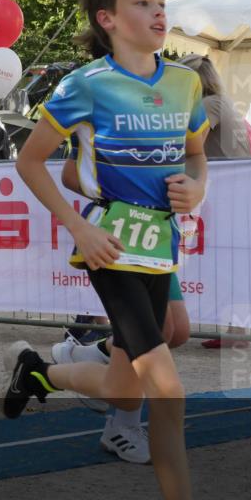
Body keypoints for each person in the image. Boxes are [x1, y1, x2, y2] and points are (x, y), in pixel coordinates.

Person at [3, 0, 215, 500]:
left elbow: (197, 155)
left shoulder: (185, 82)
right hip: (112, 251)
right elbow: (30, 160)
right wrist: (79, 228)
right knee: (166, 391)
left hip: (162, 251)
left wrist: (196, 187)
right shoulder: (85, 86)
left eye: (160, 2)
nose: (157, 12)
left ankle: (41, 373)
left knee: (126, 393)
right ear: (108, 20)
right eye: (141, 3)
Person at [52, 156, 192, 464]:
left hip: (159, 233)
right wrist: (128, 193)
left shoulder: (184, 108)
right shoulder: (101, 108)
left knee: (177, 330)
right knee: (152, 337)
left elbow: (197, 156)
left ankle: (87, 354)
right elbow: (68, 174)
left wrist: (196, 186)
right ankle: (122, 427)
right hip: (121, 235)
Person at [177, 54, 251, 158]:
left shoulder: (209, 104)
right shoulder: (220, 100)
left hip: (225, 171)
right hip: (235, 169)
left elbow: (186, 148)